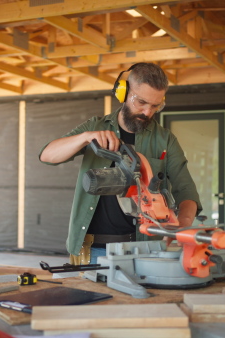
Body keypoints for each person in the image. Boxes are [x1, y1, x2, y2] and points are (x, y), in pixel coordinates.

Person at [39, 62, 201, 265]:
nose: (147, 112)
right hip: (92, 250)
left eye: (155, 106)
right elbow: (47, 155)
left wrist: (182, 225)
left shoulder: (165, 140)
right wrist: (86, 137)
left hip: (145, 250)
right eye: (141, 102)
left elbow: (186, 189)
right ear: (123, 93)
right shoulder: (95, 127)